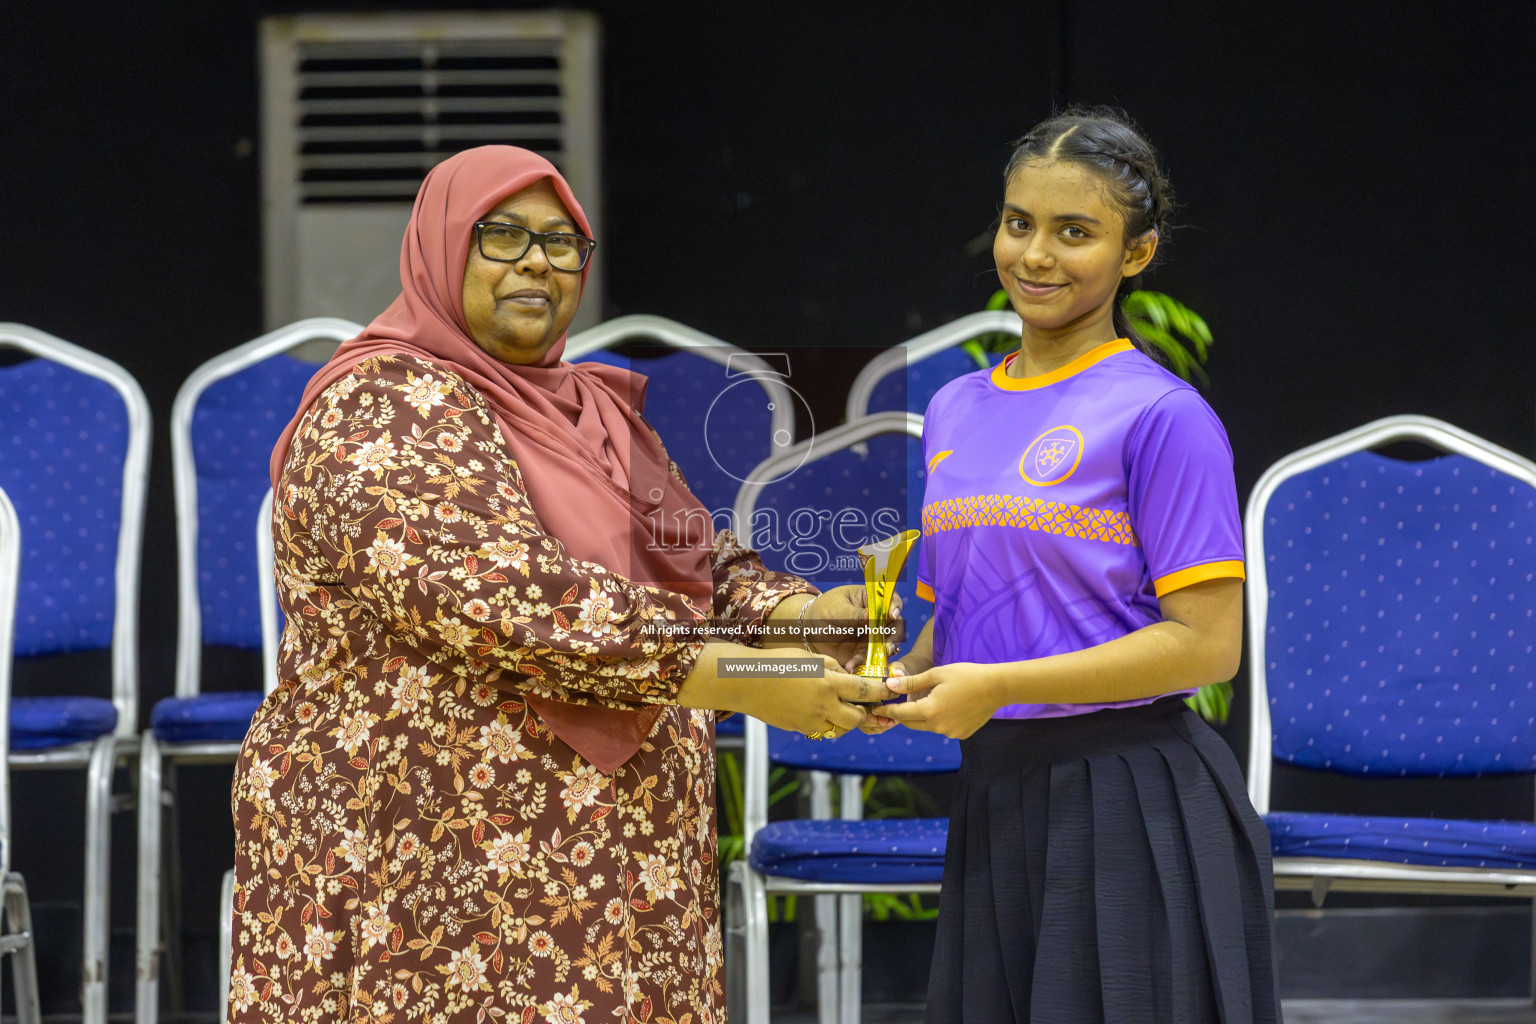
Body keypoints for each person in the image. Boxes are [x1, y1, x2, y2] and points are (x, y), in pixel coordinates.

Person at [229, 145, 890, 1024]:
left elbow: (699, 564)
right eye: (501, 236)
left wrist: (809, 618)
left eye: (562, 242)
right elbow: (508, 604)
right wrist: (758, 678)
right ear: (440, 246)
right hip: (428, 854)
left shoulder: (593, 412)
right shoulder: (379, 404)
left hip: (613, 861)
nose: (538, 261)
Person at [881, 109, 1281, 1022]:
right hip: (995, 797)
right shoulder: (953, 407)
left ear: (1135, 255)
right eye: (1019, 223)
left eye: (1076, 233)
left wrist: (997, 683)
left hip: (1131, 802)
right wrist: (889, 683)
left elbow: (1207, 648)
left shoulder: (1163, 415)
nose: (1036, 256)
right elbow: (962, 621)